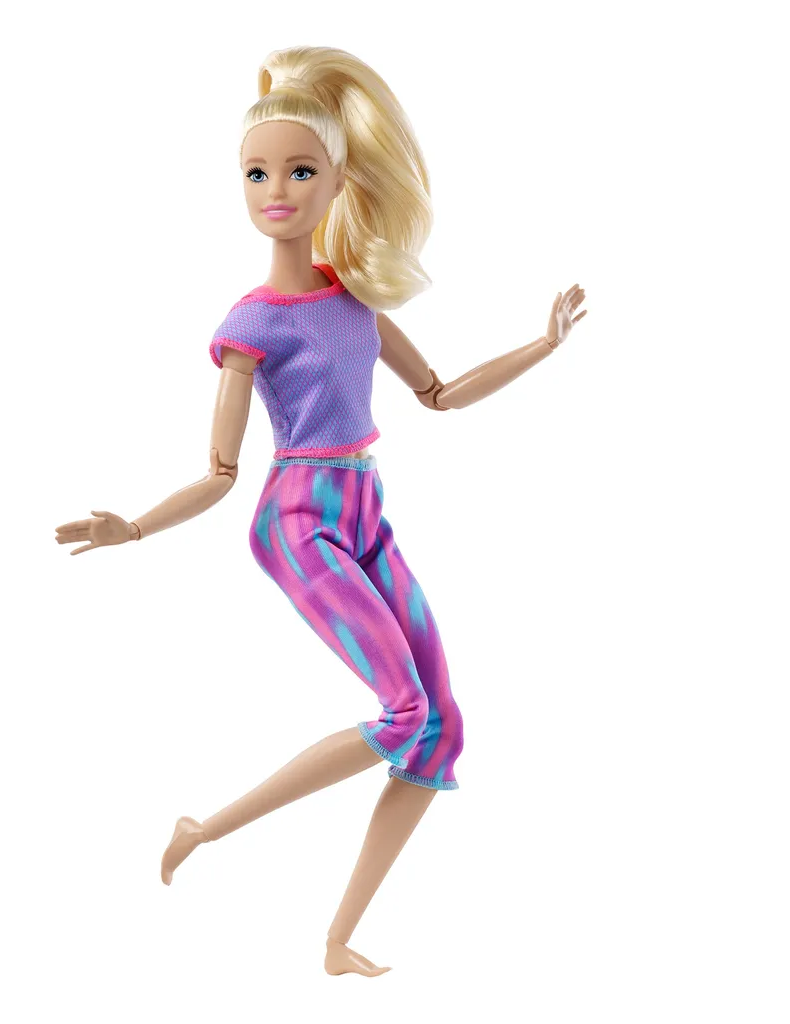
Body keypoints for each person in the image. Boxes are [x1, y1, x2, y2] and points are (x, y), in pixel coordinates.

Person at [55, 45, 587, 976]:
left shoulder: (354, 302)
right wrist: (131, 526)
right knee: (403, 710)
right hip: (297, 519)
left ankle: (338, 941)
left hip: (365, 509)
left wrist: (542, 346)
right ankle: (204, 829)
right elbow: (221, 471)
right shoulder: (250, 324)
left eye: (300, 171)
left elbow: (440, 393)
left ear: (339, 180)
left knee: (440, 726)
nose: (277, 191)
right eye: (257, 173)